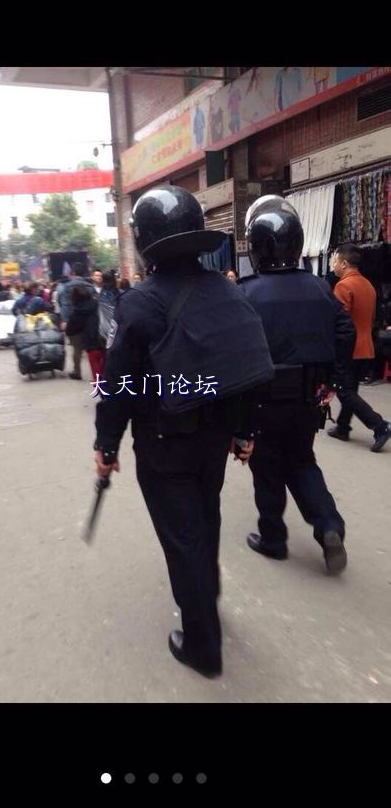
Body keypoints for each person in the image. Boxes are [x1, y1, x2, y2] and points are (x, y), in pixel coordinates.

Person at [94, 185, 274, 678]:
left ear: (144, 241)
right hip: (214, 438)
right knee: (205, 519)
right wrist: (244, 432)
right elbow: (246, 368)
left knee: (183, 537)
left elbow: (118, 386)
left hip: (163, 442)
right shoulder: (228, 291)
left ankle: (202, 644)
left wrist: (106, 445)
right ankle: (206, 600)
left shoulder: (138, 303)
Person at [240, 196, 356, 574]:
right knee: (303, 460)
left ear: (257, 248)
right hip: (308, 398)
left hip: (263, 399)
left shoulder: (245, 292)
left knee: (267, 467)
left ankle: (273, 539)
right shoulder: (320, 287)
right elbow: (345, 331)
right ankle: (329, 525)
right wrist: (333, 379)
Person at [327, 244, 390, 453]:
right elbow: (371, 319)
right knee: (350, 389)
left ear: (344, 264)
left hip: (348, 348)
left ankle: (380, 425)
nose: (334, 265)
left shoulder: (343, 286)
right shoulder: (368, 285)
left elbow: (340, 322)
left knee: (343, 391)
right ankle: (343, 427)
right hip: (366, 347)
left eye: (335, 261)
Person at [66, 285, 104, 382]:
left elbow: (71, 329)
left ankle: (78, 373)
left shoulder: (76, 311)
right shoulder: (97, 304)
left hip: (88, 339)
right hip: (101, 335)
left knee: (81, 354)